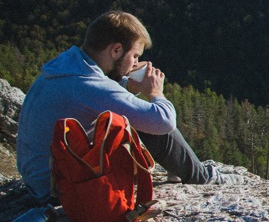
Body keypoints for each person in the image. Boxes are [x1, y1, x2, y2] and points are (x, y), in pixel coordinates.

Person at [16, 10, 240, 202]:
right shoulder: (89, 85)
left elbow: (98, 94)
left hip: (39, 181)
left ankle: (181, 168)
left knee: (127, 116)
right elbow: (163, 121)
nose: (135, 63)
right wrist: (155, 93)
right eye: (134, 56)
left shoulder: (68, 66)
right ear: (115, 50)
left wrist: (126, 83)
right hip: (58, 192)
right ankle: (202, 177)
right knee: (143, 123)